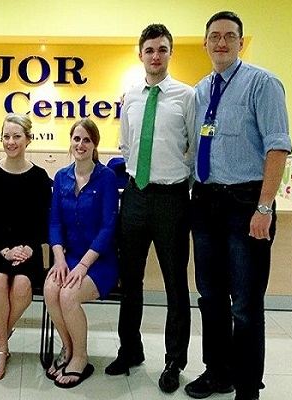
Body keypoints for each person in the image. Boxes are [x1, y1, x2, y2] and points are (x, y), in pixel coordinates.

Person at [185, 11, 292, 400]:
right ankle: (218, 373)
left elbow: (277, 147)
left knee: (245, 303)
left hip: (245, 203)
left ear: (241, 42)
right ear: (205, 43)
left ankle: (247, 387)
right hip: (206, 201)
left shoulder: (262, 84)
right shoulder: (201, 90)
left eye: (230, 36)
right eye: (214, 36)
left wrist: (264, 207)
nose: (222, 42)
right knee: (210, 297)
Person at [105, 24, 195, 394]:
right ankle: (130, 349)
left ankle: (174, 361)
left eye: (162, 49)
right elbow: (127, 145)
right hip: (135, 195)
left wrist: (176, 178)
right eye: (149, 50)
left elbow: (193, 148)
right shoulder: (130, 97)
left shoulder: (186, 96)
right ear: (140, 54)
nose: (155, 56)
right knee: (131, 280)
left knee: (175, 284)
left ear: (170, 53)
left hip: (172, 198)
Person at [0, 113, 52, 380]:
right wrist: (6, 251)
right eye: (6, 136)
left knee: (21, 285)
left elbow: (44, 222)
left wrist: (28, 248)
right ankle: (3, 349)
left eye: (17, 136)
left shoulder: (40, 177)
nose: (10, 141)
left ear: (28, 139)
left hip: (28, 251)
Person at [44, 118, 119, 389]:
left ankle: (80, 357)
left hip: (99, 261)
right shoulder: (61, 177)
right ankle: (68, 347)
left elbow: (109, 226)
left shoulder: (106, 177)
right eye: (76, 139)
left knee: (68, 295)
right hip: (70, 258)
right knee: (50, 289)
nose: (81, 144)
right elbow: (54, 223)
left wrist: (84, 265)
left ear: (95, 144)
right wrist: (59, 259)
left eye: (87, 140)